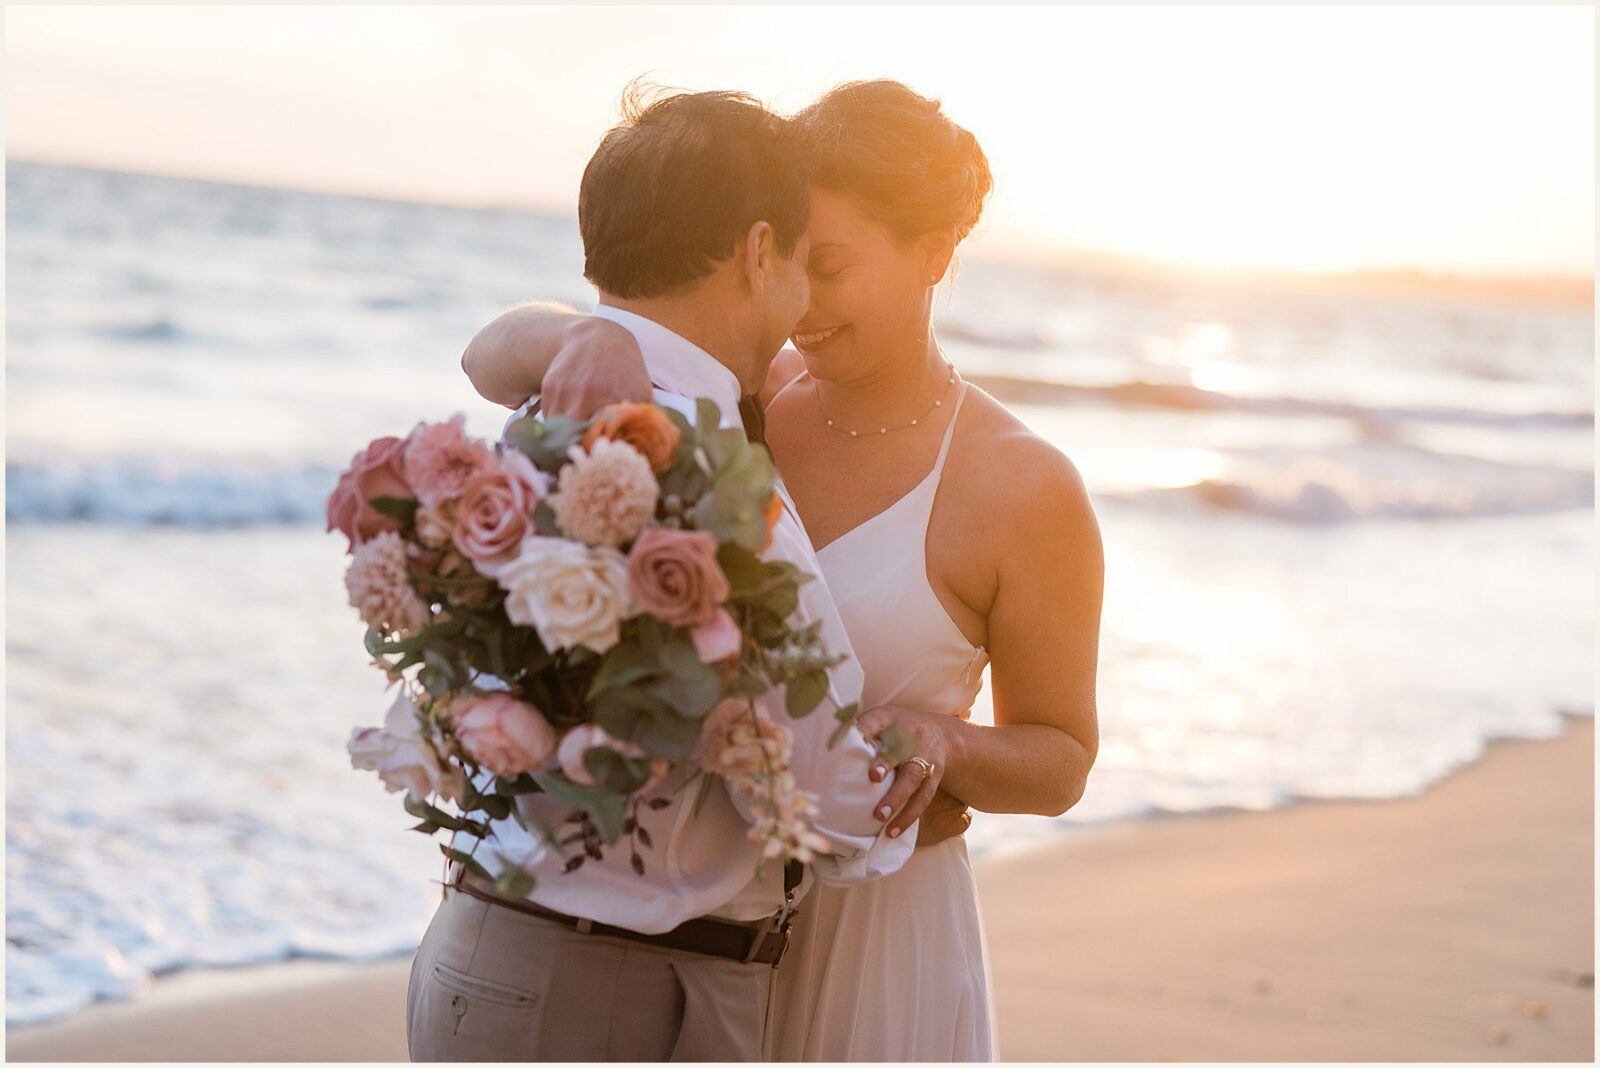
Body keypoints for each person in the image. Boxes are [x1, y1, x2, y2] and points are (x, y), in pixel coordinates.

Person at [462, 80, 1104, 1062]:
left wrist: (944, 742)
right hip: (679, 937)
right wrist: (585, 332)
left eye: (833, 264)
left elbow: (1060, 756)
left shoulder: (1019, 485)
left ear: (933, 254)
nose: (802, 300)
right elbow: (492, 350)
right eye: (792, 259)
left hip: (877, 937)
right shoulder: (739, 385)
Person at [406, 87, 923, 1063]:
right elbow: (820, 789)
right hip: (617, 996)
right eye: (805, 256)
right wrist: (910, 786)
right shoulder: (704, 471)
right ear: (758, 250)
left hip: (479, 955)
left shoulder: (521, 435)